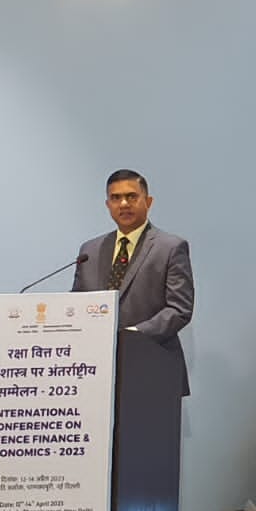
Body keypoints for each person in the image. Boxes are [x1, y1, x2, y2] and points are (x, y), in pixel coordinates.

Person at [71, 169, 194, 396]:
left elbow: (179, 309)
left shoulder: (170, 248)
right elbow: (77, 305)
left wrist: (132, 336)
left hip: (152, 367)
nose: (124, 204)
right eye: (116, 198)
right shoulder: (90, 250)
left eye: (131, 196)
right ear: (108, 205)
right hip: (95, 372)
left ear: (148, 202)